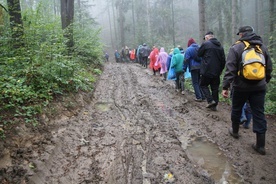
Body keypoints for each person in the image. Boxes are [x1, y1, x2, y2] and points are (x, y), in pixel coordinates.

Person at [221, 25, 272, 155]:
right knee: (259, 113)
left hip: (241, 86)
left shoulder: (237, 47)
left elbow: (230, 69)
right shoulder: (262, 47)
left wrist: (225, 86)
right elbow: (269, 68)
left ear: (241, 35)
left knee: (237, 108)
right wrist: (264, 82)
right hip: (259, 86)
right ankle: (260, 145)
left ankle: (235, 131)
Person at [198, 31, 226, 111]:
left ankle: (210, 101)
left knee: (203, 85)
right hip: (217, 71)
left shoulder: (206, 44)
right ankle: (214, 105)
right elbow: (223, 60)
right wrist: (220, 70)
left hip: (207, 70)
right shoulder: (220, 46)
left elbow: (199, 54)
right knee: (215, 88)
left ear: (207, 38)